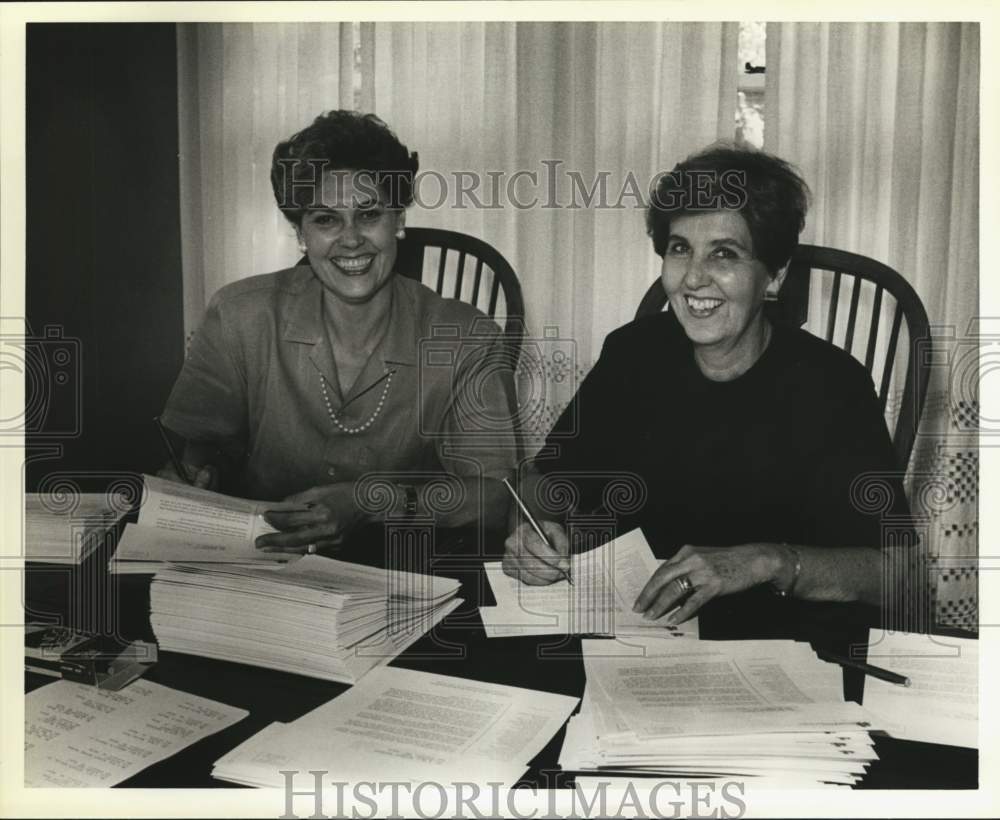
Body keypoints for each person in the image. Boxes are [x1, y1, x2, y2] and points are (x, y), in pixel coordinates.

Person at [502, 144, 914, 644]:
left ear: (775, 274)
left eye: (725, 253)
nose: (693, 278)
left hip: (780, 643)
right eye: (680, 248)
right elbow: (544, 477)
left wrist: (765, 560)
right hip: (637, 634)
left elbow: (900, 576)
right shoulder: (634, 353)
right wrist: (537, 528)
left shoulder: (831, 385)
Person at [159, 111, 517, 553]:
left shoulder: (466, 337)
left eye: (368, 214)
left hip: (403, 567)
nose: (350, 240)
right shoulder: (240, 314)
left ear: (398, 219)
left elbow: (498, 497)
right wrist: (197, 472)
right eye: (326, 220)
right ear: (300, 233)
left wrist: (372, 502)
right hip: (264, 567)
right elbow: (199, 450)